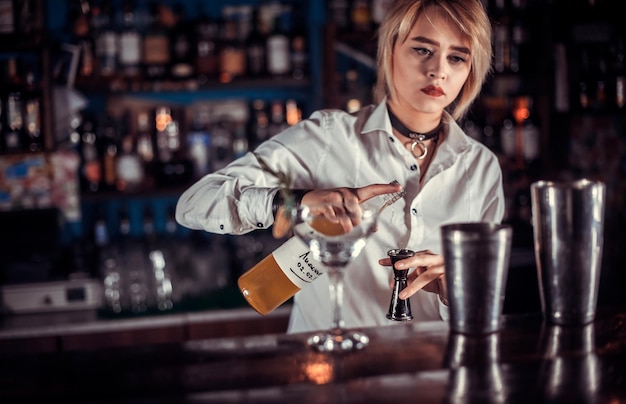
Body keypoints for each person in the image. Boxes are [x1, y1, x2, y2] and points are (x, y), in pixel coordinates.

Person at [175, 0, 505, 333]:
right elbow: (194, 204)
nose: (439, 70)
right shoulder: (328, 138)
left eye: (457, 57)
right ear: (390, 50)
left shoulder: (480, 168)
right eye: (422, 50)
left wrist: (456, 292)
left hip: (433, 371)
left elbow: (485, 313)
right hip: (328, 368)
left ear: (470, 70)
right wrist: (295, 201)